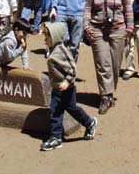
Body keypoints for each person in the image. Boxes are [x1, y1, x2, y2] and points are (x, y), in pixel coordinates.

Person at [83, 0, 133, 114]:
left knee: (115, 65)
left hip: (117, 30)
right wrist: (86, 26)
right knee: (103, 64)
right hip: (98, 30)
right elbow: (87, 9)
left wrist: (130, 27)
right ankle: (106, 96)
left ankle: (110, 92)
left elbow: (128, 8)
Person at [41, 21, 98, 151]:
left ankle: (90, 122)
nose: (45, 40)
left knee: (71, 109)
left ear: (55, 37)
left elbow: (72, 68)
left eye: (47, 37)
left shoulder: (61, 51)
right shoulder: (53, 50)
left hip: (67, 88)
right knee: (55, 111)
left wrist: (67, 81)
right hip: (57, 88)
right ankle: (56, 137)